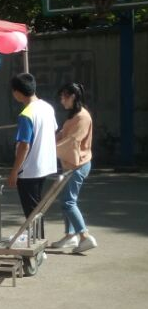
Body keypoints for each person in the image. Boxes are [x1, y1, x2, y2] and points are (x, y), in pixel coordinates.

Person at [8, 73, 57, 235]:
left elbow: (24, 145)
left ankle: (38, 240)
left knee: (32, 210)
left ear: (17, 92)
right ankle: (37, 238)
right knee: (36, 206)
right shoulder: (47, 107)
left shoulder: (26, 114)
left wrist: (14, 171)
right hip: (45, 165)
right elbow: (53, 130)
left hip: (29, 169)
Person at [52, 82, 96, 253]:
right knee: (66, 201)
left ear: (73, 96)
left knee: (68, 202)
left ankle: (85, 236)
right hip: (71, 164)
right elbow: (63, 134)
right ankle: (70, 235)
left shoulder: (83, 117)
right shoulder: (74, 115)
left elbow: (72, 141)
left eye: (64, 97)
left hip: (78, 164)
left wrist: (50, 149)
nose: (62, 100)